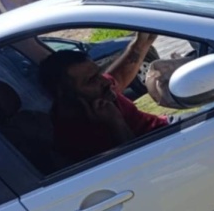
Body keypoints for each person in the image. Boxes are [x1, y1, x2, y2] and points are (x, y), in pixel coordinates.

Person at [40, 32, 167, 163]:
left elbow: (122, 74)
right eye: (91, 80)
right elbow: (138, 163)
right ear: (64, 94)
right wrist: (115, 122)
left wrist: (142, 41)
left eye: (99, 73)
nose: (105, 81)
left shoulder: (97, 94)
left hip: (163, 128)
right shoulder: (75, 134)